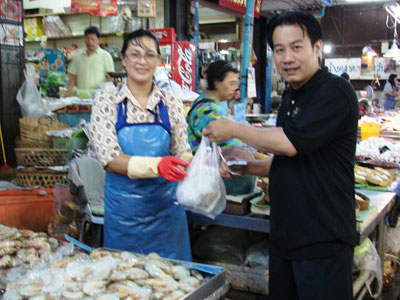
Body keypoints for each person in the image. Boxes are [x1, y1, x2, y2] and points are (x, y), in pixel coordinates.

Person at [203, 11, 358, 300]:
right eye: (279, 50)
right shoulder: (291, 96)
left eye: (296, 47)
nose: (287, 57)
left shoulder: (334, 92)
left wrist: (234, 128)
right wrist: (246, 166)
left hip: (323, 239)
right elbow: (290, 161)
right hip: (286, 235)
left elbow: (289, 144)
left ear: (316, 48)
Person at [89, 29, 193, 261]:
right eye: (135, 54)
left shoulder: (171, 102)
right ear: (123, 59)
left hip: (167, 213)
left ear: (158, 60)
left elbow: (181, 150)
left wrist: (193, 163)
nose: (142, 61)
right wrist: (159, 166)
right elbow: (109, 159)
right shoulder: (107, 101)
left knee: (174, 284)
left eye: (149, 55)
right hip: (125, 216)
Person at [186, 60, 243, 152]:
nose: (235, 88)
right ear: (217, 83)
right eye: (231, 83)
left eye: (235, 84)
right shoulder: (208, 110)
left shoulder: (204, 100)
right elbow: (233, 146)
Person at [66, 26, 115, 97]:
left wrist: (97, 89)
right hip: (81, 97)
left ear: (99, 40)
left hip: (100, 96)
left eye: (92, 39)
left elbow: (110, 78)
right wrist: (68, 92)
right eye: (87, 39)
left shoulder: (106, 56)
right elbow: (73, 77)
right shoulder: (77, 56)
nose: (89, 42)